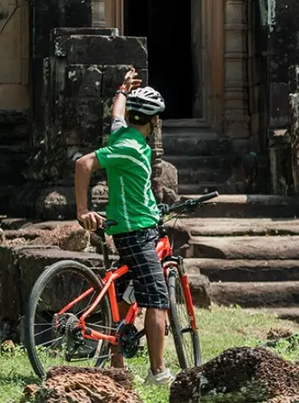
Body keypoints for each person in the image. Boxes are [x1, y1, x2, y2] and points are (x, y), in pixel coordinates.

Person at [74, 68, 175, 387]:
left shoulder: (122, 132)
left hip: (134, 227)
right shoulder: (130, 147)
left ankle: (117, 363)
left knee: (126, 293)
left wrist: (122, 88)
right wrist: (82, 210)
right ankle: (158, 373)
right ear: (154, 121)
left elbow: (117, 113)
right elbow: (83, 163)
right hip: (136, 232)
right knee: (157, 298)